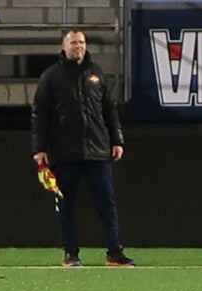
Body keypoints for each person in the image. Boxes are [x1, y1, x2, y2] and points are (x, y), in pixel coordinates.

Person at [31, 29, 134, 268]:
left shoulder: (97, 73)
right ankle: (70, 253)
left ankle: (114, 252)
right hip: (64, 153)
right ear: (63, 46)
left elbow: (110, 110)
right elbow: (39, 115)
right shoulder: (51, 77)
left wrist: (117, 140)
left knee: (106, 203)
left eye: (82, 42)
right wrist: (39, 148)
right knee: (65, 204)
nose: (78, 46)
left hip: (97, 151)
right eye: (73, 42)